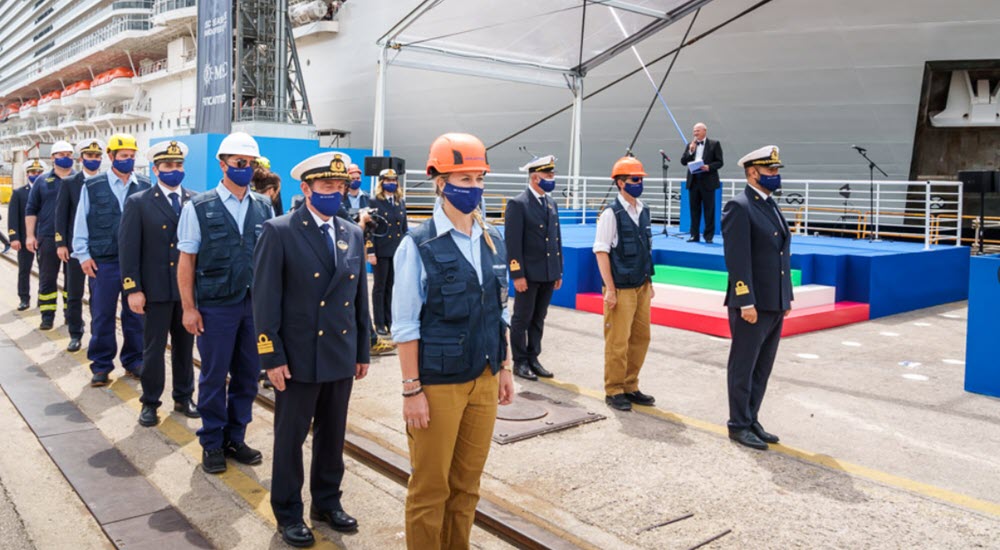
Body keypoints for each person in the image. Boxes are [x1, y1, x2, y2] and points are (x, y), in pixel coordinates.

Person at [393, 132, 514, 549]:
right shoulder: (418, 244)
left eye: (479, 178)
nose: (474, 188)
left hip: (484, 376)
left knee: (467, 487)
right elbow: (406, 325)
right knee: (430, 489)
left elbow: (500, 310)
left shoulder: (493, 238)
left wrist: (505, 367)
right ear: (440, 181)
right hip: (438, 383)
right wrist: (412, 391)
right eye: (464, 179)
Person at [253, 151, 371, 547]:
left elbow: (358, 298)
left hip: (339, 352)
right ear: (305, 189)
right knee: (290, 438)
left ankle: (326, 501)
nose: (334, 194)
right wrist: (271, 356)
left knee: (333, 435)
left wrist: (362, 350)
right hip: (298, 355)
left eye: (339, 187)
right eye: (326, 187)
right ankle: (288, 512)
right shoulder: (279, 230)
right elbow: (265, 301)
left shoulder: (351, 231)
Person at [177, 131, 273, 474]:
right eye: (239, 163)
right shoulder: (198, 207)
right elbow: (186, 261)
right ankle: (212, 441)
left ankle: (236, 436)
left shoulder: (263, 205)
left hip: (253, 307)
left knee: (247, 375)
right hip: (215, 306)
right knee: (214, 376)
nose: (245, 169)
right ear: (223, 165)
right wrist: (189, 308)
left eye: (250, 164)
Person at [119, 141, 199, 427]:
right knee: (153, 349)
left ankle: (183, 396)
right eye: (168, 166)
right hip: (155, 290)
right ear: (155, 170)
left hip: (186, 292)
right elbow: (128, 249)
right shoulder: (139, 202)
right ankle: (150, 402)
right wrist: (132, 289)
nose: (174, 171)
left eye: (178, 166)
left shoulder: (195, 200)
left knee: (185, 347)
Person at [721, 145, 792, 451]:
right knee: (744, 365)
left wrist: (785, 298)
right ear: (752, 172)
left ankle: (752, 418)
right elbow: (737, 260)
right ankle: (738, 424)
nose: (775, 175)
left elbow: (779, 255)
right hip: (752, 303)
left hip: (774, 301)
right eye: (770, 170)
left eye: (776, 170)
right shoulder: (739, 206)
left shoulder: (770, 204)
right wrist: (745, 300)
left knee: (762, 366)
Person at [72, 134, 150, 386]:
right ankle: (102, 364)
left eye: (131, 156)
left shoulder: (146, 187)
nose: (128, 160)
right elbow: (81, 222)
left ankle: (134, 360)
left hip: (137, 264)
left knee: (135, 314)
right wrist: (83, 255)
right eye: (123, 156)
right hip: (103, 263)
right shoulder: (93, 186)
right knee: (102, 314)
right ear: (111, 156)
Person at [592, 156, 657, 412]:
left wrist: (649, 281)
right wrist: (609, 288)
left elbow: (646, 250)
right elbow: (601, 251)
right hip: (620, 287)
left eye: (640, 179)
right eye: (634, 179)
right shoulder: (611, 214)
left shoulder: (644, 210)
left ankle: (631, 385)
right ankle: (614, 389)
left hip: (641, 284)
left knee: (641, 338)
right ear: (620, 183)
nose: (639, 183)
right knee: (618, 341)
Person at [504, 155, 563, 381]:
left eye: (552, 175)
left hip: (548, 272)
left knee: (539, 317)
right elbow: (513, 243)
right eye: (548, 175)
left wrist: (558, 271)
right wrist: (517, 274)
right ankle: (520, 361)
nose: (552, 179)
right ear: (535, 177)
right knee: (522, 318)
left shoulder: (551, 203)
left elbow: (556, 239)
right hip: (528, 274)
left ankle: (533, 357)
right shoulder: (518, 204)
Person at [55, 139, 104, 352]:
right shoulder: (70, 183)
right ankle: (75, 333)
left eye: (96, 156)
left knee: (98, 296)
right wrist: (61, 244)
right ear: (81, 158)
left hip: (100, 248)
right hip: (75, 248)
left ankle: (97, 334)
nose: (93, 160)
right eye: (89, 156)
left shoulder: (105, 182)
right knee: (74, 292)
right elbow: (61, 215)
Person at [25, 141, 76, 331]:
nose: (66, 157)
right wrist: (30, 235)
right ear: (53, 157)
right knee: (47, 279)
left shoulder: (79, 180)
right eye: (61, 154)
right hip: (47, 237)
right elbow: (31, 209)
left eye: (69, 154)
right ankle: (47, 317)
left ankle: (71, 317)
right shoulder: (42, 181)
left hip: (72, 239)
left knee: (73, 281)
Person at [366, 168, 407, 337]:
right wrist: (370, 251)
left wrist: (406, 249)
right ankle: (379, 322)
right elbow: (371, 229)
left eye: (394, 180)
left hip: (396, 250)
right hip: (381, 250)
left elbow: (403, 228)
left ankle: (390, 320)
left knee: (392, 287)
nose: (391, 183)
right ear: (381, 182)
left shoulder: (399, 201)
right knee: (379, 287)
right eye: (387, 180)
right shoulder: (374, 201)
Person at [8, 160, 45, 311]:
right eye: (33, 172)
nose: (36, 175)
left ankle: (42, 300)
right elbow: (13, 216)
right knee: (24, 270)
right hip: (24, 239)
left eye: (39, 172)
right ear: (27, 174)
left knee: (45, 272)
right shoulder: (19, 193)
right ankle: (24, 298)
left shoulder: (47, 191)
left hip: (43, 239)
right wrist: (14, 237)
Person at [680, 122, 724, 243]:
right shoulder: (690, 145)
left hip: (708, 181)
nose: (695, 133)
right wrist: (690, 151)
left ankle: (708, 236)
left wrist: (708, 167)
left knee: (709, 210)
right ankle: (694, 235)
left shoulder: (714, 144)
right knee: (694, 210)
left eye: (697, 131)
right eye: (694, 131)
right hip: (694, 182)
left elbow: (720, 162)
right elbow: (683, 161)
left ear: (704, 131)